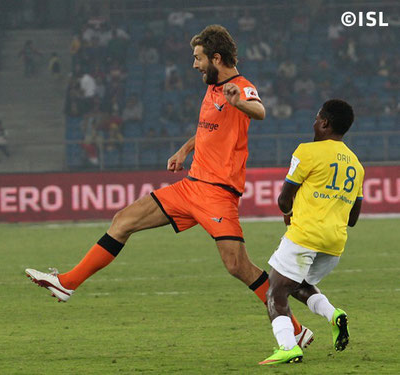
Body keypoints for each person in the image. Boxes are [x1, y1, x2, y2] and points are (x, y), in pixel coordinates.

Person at [26, 25, 313, 348]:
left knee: (238, 266)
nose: (194, 65)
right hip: (191, 186)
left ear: (216, 58)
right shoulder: (212, 86)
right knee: (123, 220)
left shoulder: (239, 87)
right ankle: (68, 283)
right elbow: (208, 129)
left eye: (198, 58)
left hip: (217, 194)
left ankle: (296, 330)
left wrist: (240, 103)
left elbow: (259, 111)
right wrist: (185, 150)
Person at [259, 100, 363, 365]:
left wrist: (290, 212)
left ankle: (287, 346)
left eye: (317, 119)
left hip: (305, 235)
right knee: (297, 284)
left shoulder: (307, 152)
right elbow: (353, 218)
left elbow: (284, 200)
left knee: (276, 292)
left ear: (325, 123)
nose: (314, 123)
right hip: (334, 244)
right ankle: (333, 314)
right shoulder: (356, 165)